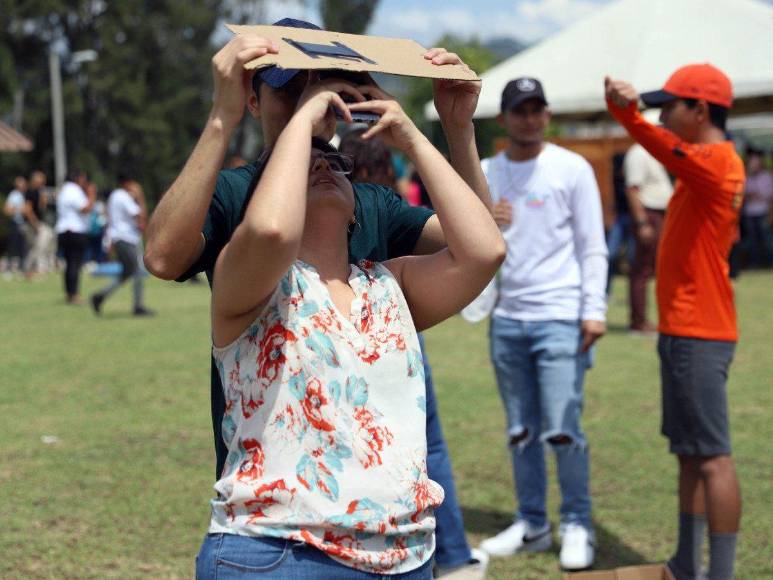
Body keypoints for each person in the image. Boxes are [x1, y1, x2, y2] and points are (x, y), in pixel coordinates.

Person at [143, 18, 494, 579]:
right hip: (281, 521)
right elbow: (165, 256)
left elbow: (476, 242)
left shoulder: (367, 202)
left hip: (393, 541)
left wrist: (453, 129)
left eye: (325, 82)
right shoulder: (239, 192)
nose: (315, 96)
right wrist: (221, 118)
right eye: (292, 84)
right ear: (253, 101)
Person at [606, 63, 745, 580]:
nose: (663, 112)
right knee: (690, 455)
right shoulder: (709, 164)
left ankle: (721, 573)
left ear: (700, 110)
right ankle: (688, 563)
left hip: (699, 333)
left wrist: (625, 108)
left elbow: (656, 141)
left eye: (672, 104)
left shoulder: (715, 161)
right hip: (686, 331)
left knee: (713, 458)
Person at [478, 78, 608, 571]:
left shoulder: (571, 168)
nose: (528, 119)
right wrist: (487, 219)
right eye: (519, 110)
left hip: (559, 315)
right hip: (508, 318)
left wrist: (593, 309)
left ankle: (577, 523)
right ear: (503, 117)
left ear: (547, 114)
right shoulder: (487, 172)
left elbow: (592, 244)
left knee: (562, 429)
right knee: (520, 430)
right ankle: (532, 523)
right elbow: (463, 240)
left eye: (536, 109)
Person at [623, 142, 673, 333]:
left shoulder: (652, 151)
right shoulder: (638, 153)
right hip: (649, 213)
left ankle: (645, 319)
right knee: (642, 269)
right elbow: (632, 189)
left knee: (652, 268)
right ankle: (639, 321)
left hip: (658, 213)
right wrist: (642, 222)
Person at [91, 176, 154, 316]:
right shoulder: (122, 195)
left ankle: (100, 296)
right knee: (137, 270)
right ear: (128, 182)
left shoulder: (115, 196)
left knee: (127, 273)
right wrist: (140, 196)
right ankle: (138, 306)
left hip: (121, 238)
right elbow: (140, 214)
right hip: (126, 238)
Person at [55, 169, 95, 304]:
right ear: (77, 178)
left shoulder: (64, 190)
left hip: (63, 230)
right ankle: (74, 294)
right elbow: (86, 208)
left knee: (69, 264)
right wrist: (91, 194)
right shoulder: (74, 190)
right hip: (75, 231)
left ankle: (69, 293)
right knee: (75, 264)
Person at [740, 146, 772, 268]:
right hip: (750, 213)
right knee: (753, 241)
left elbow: (768, 197)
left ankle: (769, 264)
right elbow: (743, 194)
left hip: (763, 212)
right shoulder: (746, 177)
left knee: (767, 240)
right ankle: (755, 264)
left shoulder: (766, 177)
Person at [23, 170, 54, 277]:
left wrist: (43, 200)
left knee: (43, 244)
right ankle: (29, 268)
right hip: (33, 224)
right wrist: (35, 224)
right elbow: (28, 210)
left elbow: (41, 208)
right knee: (37, 247)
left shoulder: (39, 192)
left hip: (39, 222)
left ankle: (36, 268)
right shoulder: (30, 192)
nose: (43, 183)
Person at [3, 176, 28, 274]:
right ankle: (8, 269)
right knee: (12, 246)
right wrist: (19, 210)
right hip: (15, 223)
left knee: (23, 247)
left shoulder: (23, 195)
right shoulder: (14, 195)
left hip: (22, 224)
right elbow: (7, 210)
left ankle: (22, 269)